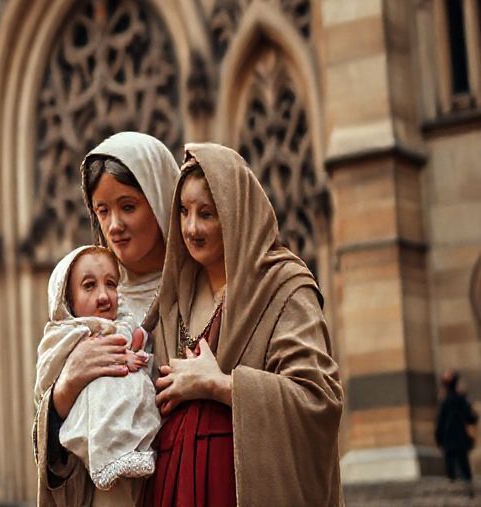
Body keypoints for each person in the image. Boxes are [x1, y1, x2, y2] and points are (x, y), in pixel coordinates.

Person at [141, 143, 343, 505]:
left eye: (207, 214)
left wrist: (219, 385)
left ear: (237, 215)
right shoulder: (173, 297)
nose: (191, 228)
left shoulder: (283, 286)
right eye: (184, 213)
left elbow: (318, 397)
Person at [33, 131, 179, 506]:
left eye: (128, 206)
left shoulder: (199, 289)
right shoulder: (93, 305)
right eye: (103, 211)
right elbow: (48, 442)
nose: (114, 225)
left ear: (160, 201)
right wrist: (65, 390)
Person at [35, 245, 158, 492]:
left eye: (111, 284)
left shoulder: (131, 321)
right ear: (68, 299)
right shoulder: (64, 335)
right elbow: (43, 393)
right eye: (89, 286)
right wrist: (68, 382)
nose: (103, 296)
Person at [436, 370, 477, 491]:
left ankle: (454, 485)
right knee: (464, 467)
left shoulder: (444, 401)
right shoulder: (461, 400)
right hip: (460, 437)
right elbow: (471, 419)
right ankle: (467, 488)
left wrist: (438, 438)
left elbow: (440, 422)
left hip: (448, 438)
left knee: (451, 469)